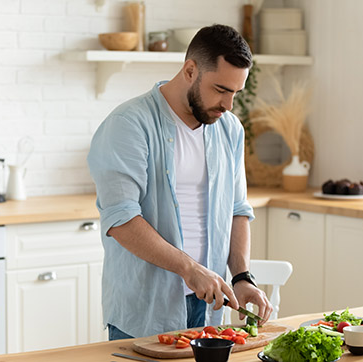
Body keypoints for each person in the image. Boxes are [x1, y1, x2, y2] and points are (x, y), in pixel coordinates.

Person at [87, 24, 273, 340]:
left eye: (235, 93)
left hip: (208, 305)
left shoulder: (229, 129)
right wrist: (190, 269)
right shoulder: (129, 124)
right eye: (221, 90)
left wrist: (241, 275)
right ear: (190, 70)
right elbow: (121, 220)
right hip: (145, 308)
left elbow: (237, 209)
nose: (229, 105)